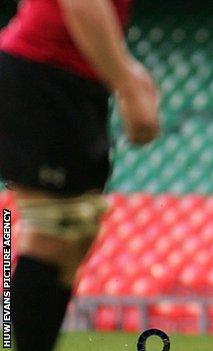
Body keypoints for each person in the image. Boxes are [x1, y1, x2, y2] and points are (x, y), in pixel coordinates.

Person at [0, 1, 160, 350]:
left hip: (74, 77)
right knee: (54, 229)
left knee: (75, 235)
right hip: (42, 69)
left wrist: (127, 73)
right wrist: (126, 84)